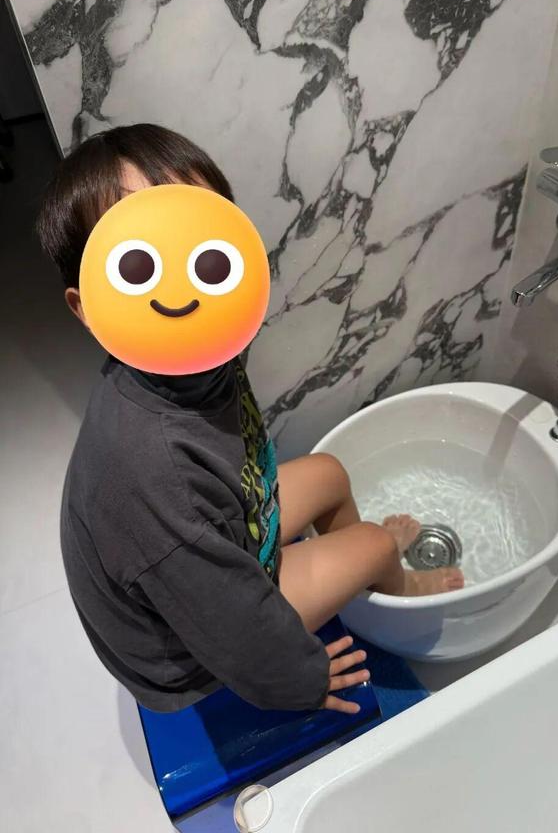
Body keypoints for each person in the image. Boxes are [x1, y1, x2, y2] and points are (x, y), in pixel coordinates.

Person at [38, 123, 464, 716]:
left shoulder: (202, 354)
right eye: (140, 263)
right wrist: (304, 683)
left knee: (329, 471)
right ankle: (396, 579)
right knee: (371, 543)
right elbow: (235, 632)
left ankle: (366, 573)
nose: (184, 279)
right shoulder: (150, 475)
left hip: (223, 540)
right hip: (185, 651)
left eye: (204, 243)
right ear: (90, 308)